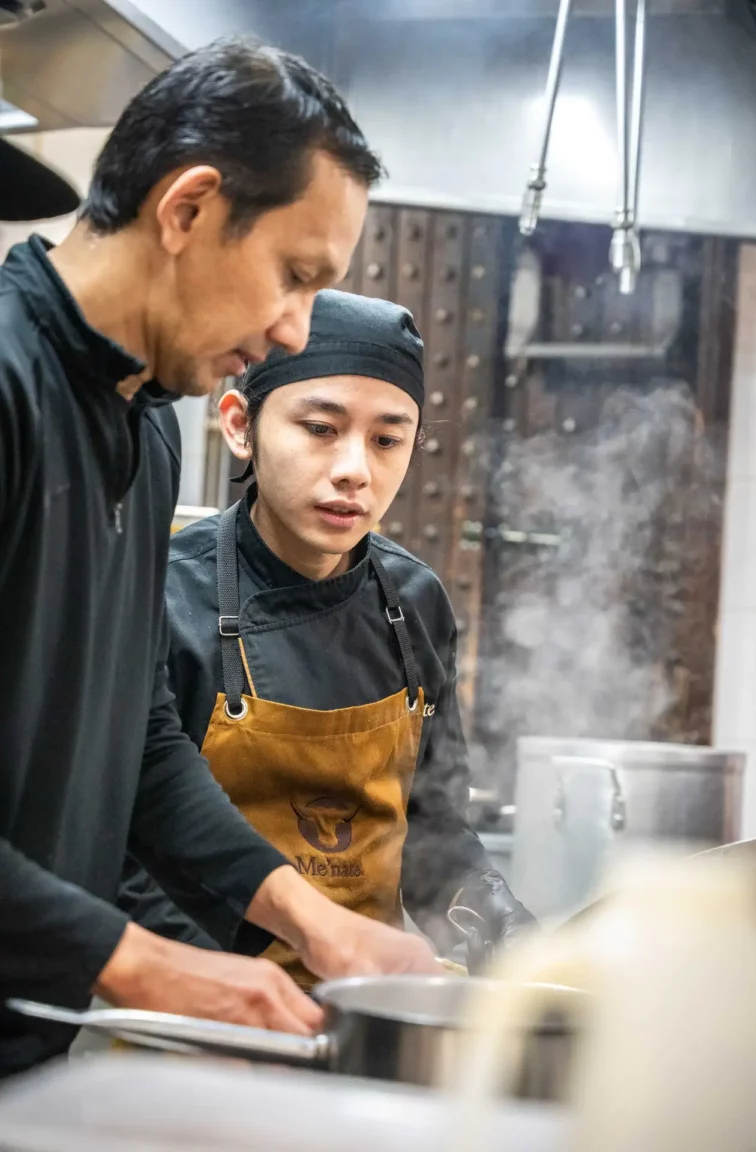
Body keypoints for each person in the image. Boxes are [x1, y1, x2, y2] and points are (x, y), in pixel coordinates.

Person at [0, 37, 438, 1080]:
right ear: (189, 209)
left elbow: (142, 739)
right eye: (294, 276)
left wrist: (314, 920)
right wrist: (142, 963)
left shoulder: (147, 422)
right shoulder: (10, 388)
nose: (294, 330)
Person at [119, 289, 536, 984]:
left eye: (387, 440)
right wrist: (213, 984)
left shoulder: (417, 603)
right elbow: (121, 842)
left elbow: (431, 829)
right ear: (240, 425)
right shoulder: (163, 596)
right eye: (320, 428)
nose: (355, 470)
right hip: (195, 1010)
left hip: (366, 1008)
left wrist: (497, 920)